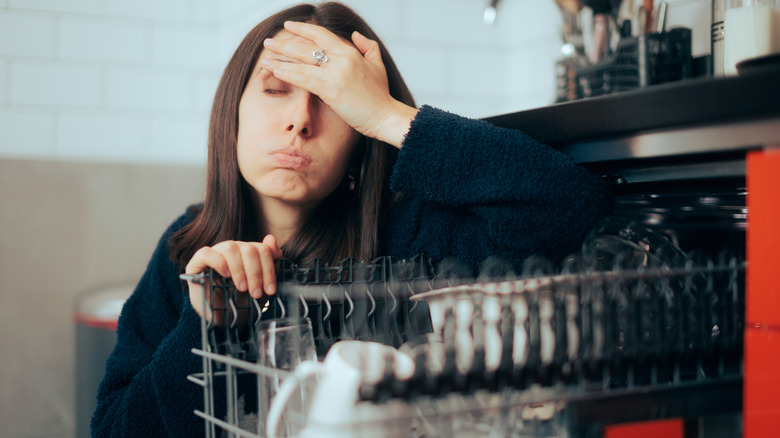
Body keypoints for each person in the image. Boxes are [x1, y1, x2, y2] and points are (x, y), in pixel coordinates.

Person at [91, 2, 612, 437]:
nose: (300, 120)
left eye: (335, 102)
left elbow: (572, 207)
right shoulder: (186, 250)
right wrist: (206, 326)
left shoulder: (413, 231)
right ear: (233, 113)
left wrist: (387, 115)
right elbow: (114, 428)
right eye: (276, 90)